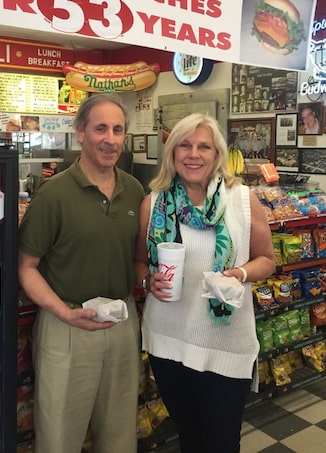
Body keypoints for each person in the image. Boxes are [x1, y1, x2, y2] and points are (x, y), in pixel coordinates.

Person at [134, 113, 275, 453]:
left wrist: (239, 274)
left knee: (222, 441)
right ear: (172, 152)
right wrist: (146, 279)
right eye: (184, 145)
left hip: (225, 341)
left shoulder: (241, 200)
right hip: (169, 340)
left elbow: (267, 260)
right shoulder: (154, 203)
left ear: (217, 155)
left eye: (203, 146)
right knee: (189, 435)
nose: (193, 154)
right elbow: (139, 261)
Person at [18, 93, 145, 453]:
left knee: (120, 435)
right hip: (66, 327)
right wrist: (64, 312)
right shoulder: (53, 194)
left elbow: (137, 260)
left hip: (121, 325)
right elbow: (25, 267)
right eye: (100, 128)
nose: (110, 139)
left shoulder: (134, 190)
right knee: (59, 436)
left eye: (118, 130)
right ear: (81, 133)